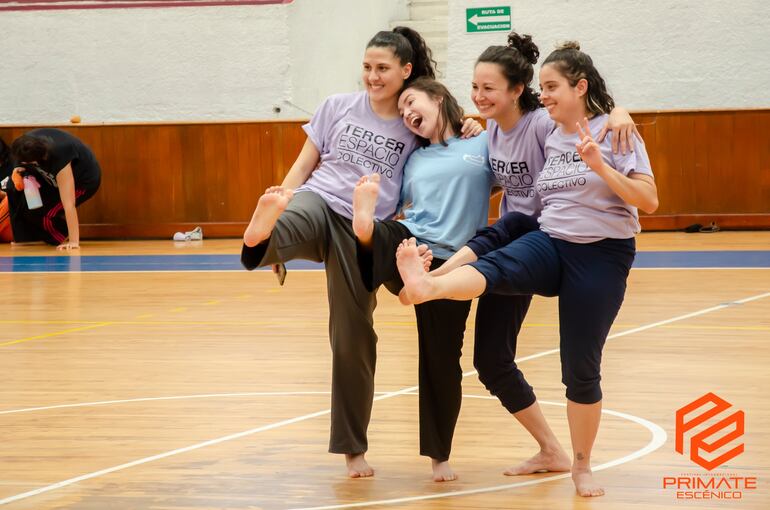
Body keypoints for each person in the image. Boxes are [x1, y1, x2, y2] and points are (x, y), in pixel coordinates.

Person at [394, 40, 658, 497]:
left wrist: (614, 120)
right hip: (546, 236)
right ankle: (429, 284)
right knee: (494, 284)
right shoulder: (529, 133)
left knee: (578, 365)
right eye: (473, 87)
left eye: (489, 87)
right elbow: (498, 173)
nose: (478, 94)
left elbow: (647, 200)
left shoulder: (572, 128)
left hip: (596, 250)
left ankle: (581, 464)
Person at [240, 27, 480, 478]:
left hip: (361, 228)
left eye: (383, 69)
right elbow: (305, 163)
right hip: (319, 200)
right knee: (290, 214)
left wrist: (471, 123)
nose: (372, 76)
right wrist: (283, 197)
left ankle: (354, 450)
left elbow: (451, 144)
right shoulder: (336, 106)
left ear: (405, 71)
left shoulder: (414, 118)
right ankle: (265, 233)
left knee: (352, 335)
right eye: (368, 67)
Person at [351, 77, 493, 481]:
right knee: (384, 235)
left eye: (412, 102)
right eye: (401, 112)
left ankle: (439, 457)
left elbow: (513, 172)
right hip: (411, 246)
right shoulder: (412, 158)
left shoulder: (481, 144)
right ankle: (365, 229)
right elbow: (399, 208)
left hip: (451, 266)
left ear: (440, 99)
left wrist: (476, 123)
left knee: (442, 359)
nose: (407, 113)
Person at [0, 129, 101, 249]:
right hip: (49, 177)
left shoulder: (60, 156)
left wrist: (74, 242)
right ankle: (23, 237)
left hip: (83, 181)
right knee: (12, 186)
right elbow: (18, 160)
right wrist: (17, 170)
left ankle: (61, 234)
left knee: (43, 211)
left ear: (37, 160)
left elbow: (69, 204)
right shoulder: (24, 144)